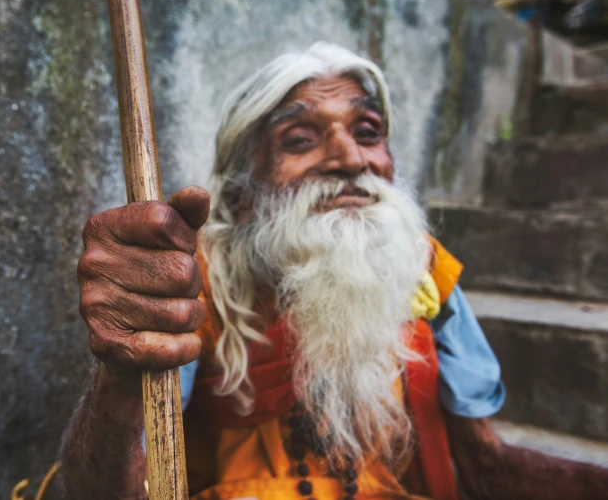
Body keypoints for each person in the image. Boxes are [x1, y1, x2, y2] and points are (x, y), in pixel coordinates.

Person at [58, 43, 607, 500]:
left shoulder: (419, 268)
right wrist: (122, 371)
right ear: (242, 188)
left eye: (368, 131)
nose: (350, 158)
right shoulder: (193, 285)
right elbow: (112, 492)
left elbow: (484, 463)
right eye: (300, 140)